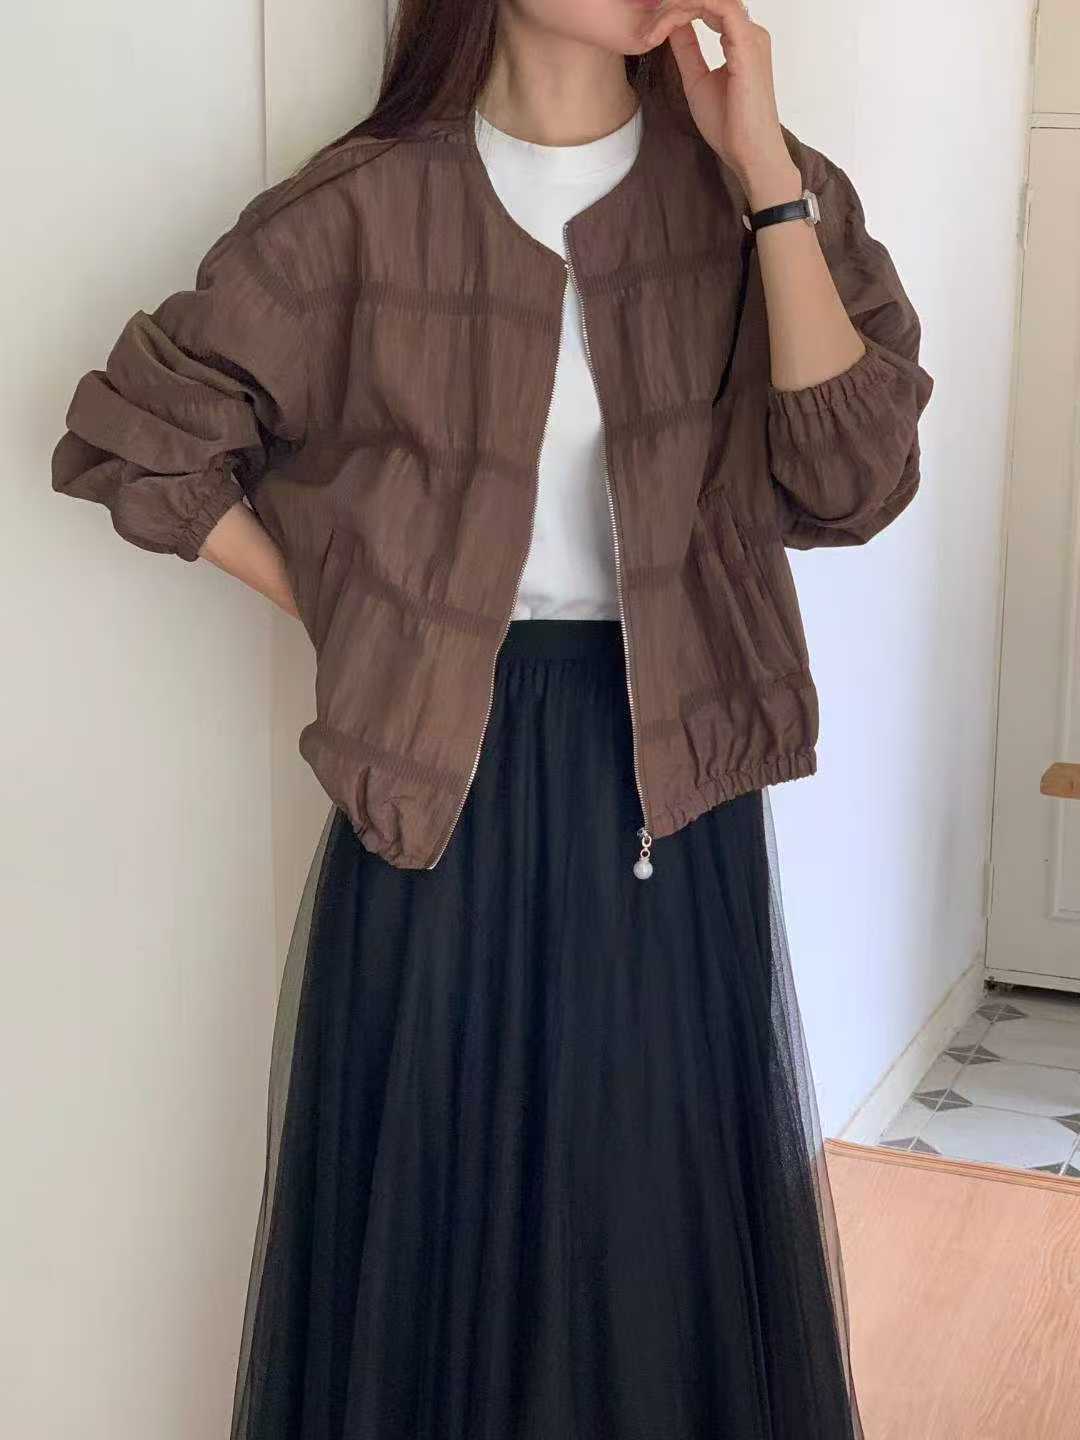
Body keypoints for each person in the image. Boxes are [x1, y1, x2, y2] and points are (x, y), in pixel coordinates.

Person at [51, 1, 934, 1435]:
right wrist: (368, 615)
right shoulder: (363, 207)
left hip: (671, 784)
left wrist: (766, 172)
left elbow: (855, 481)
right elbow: (137, 439)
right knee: (436, 1227)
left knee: (650, 1222)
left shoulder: (761, 189)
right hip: (439, 778)